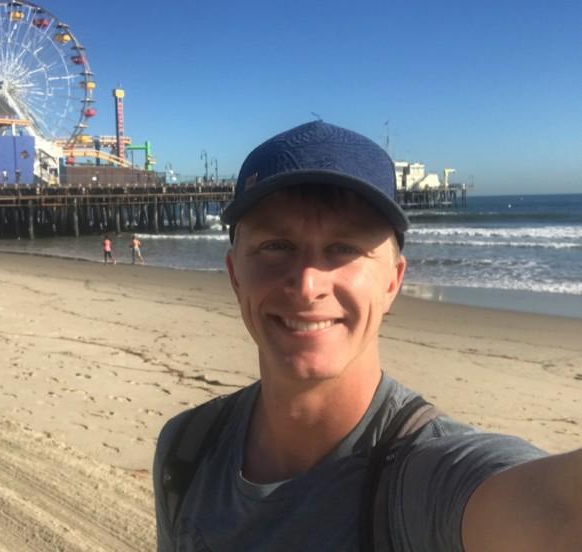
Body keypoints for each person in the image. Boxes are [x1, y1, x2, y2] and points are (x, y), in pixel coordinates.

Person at [153, 121, 582, 550]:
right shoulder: (187, 450)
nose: (307, 284)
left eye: (345, 248)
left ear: (392, 282)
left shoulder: (425, 479)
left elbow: (556, 513)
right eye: (275, 245)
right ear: (234, 275)